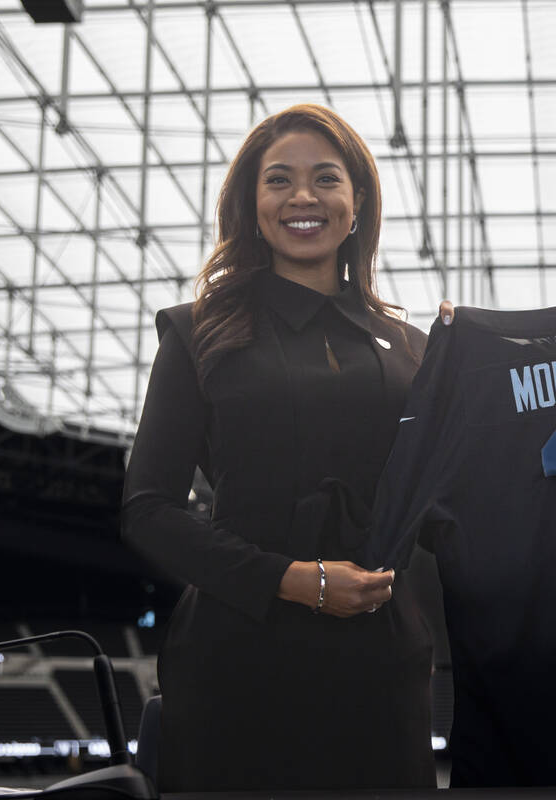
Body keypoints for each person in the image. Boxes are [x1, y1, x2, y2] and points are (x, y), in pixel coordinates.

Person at [121, 104, 436, 791]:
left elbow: (458, 494)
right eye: (278, 181)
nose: (302, 197)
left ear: (357, 205)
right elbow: (147, 509)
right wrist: (295, 581)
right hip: (240, 661)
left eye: (326, 179)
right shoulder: (196, 332)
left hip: (381, 667)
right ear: (250, 205)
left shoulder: (415, 350)